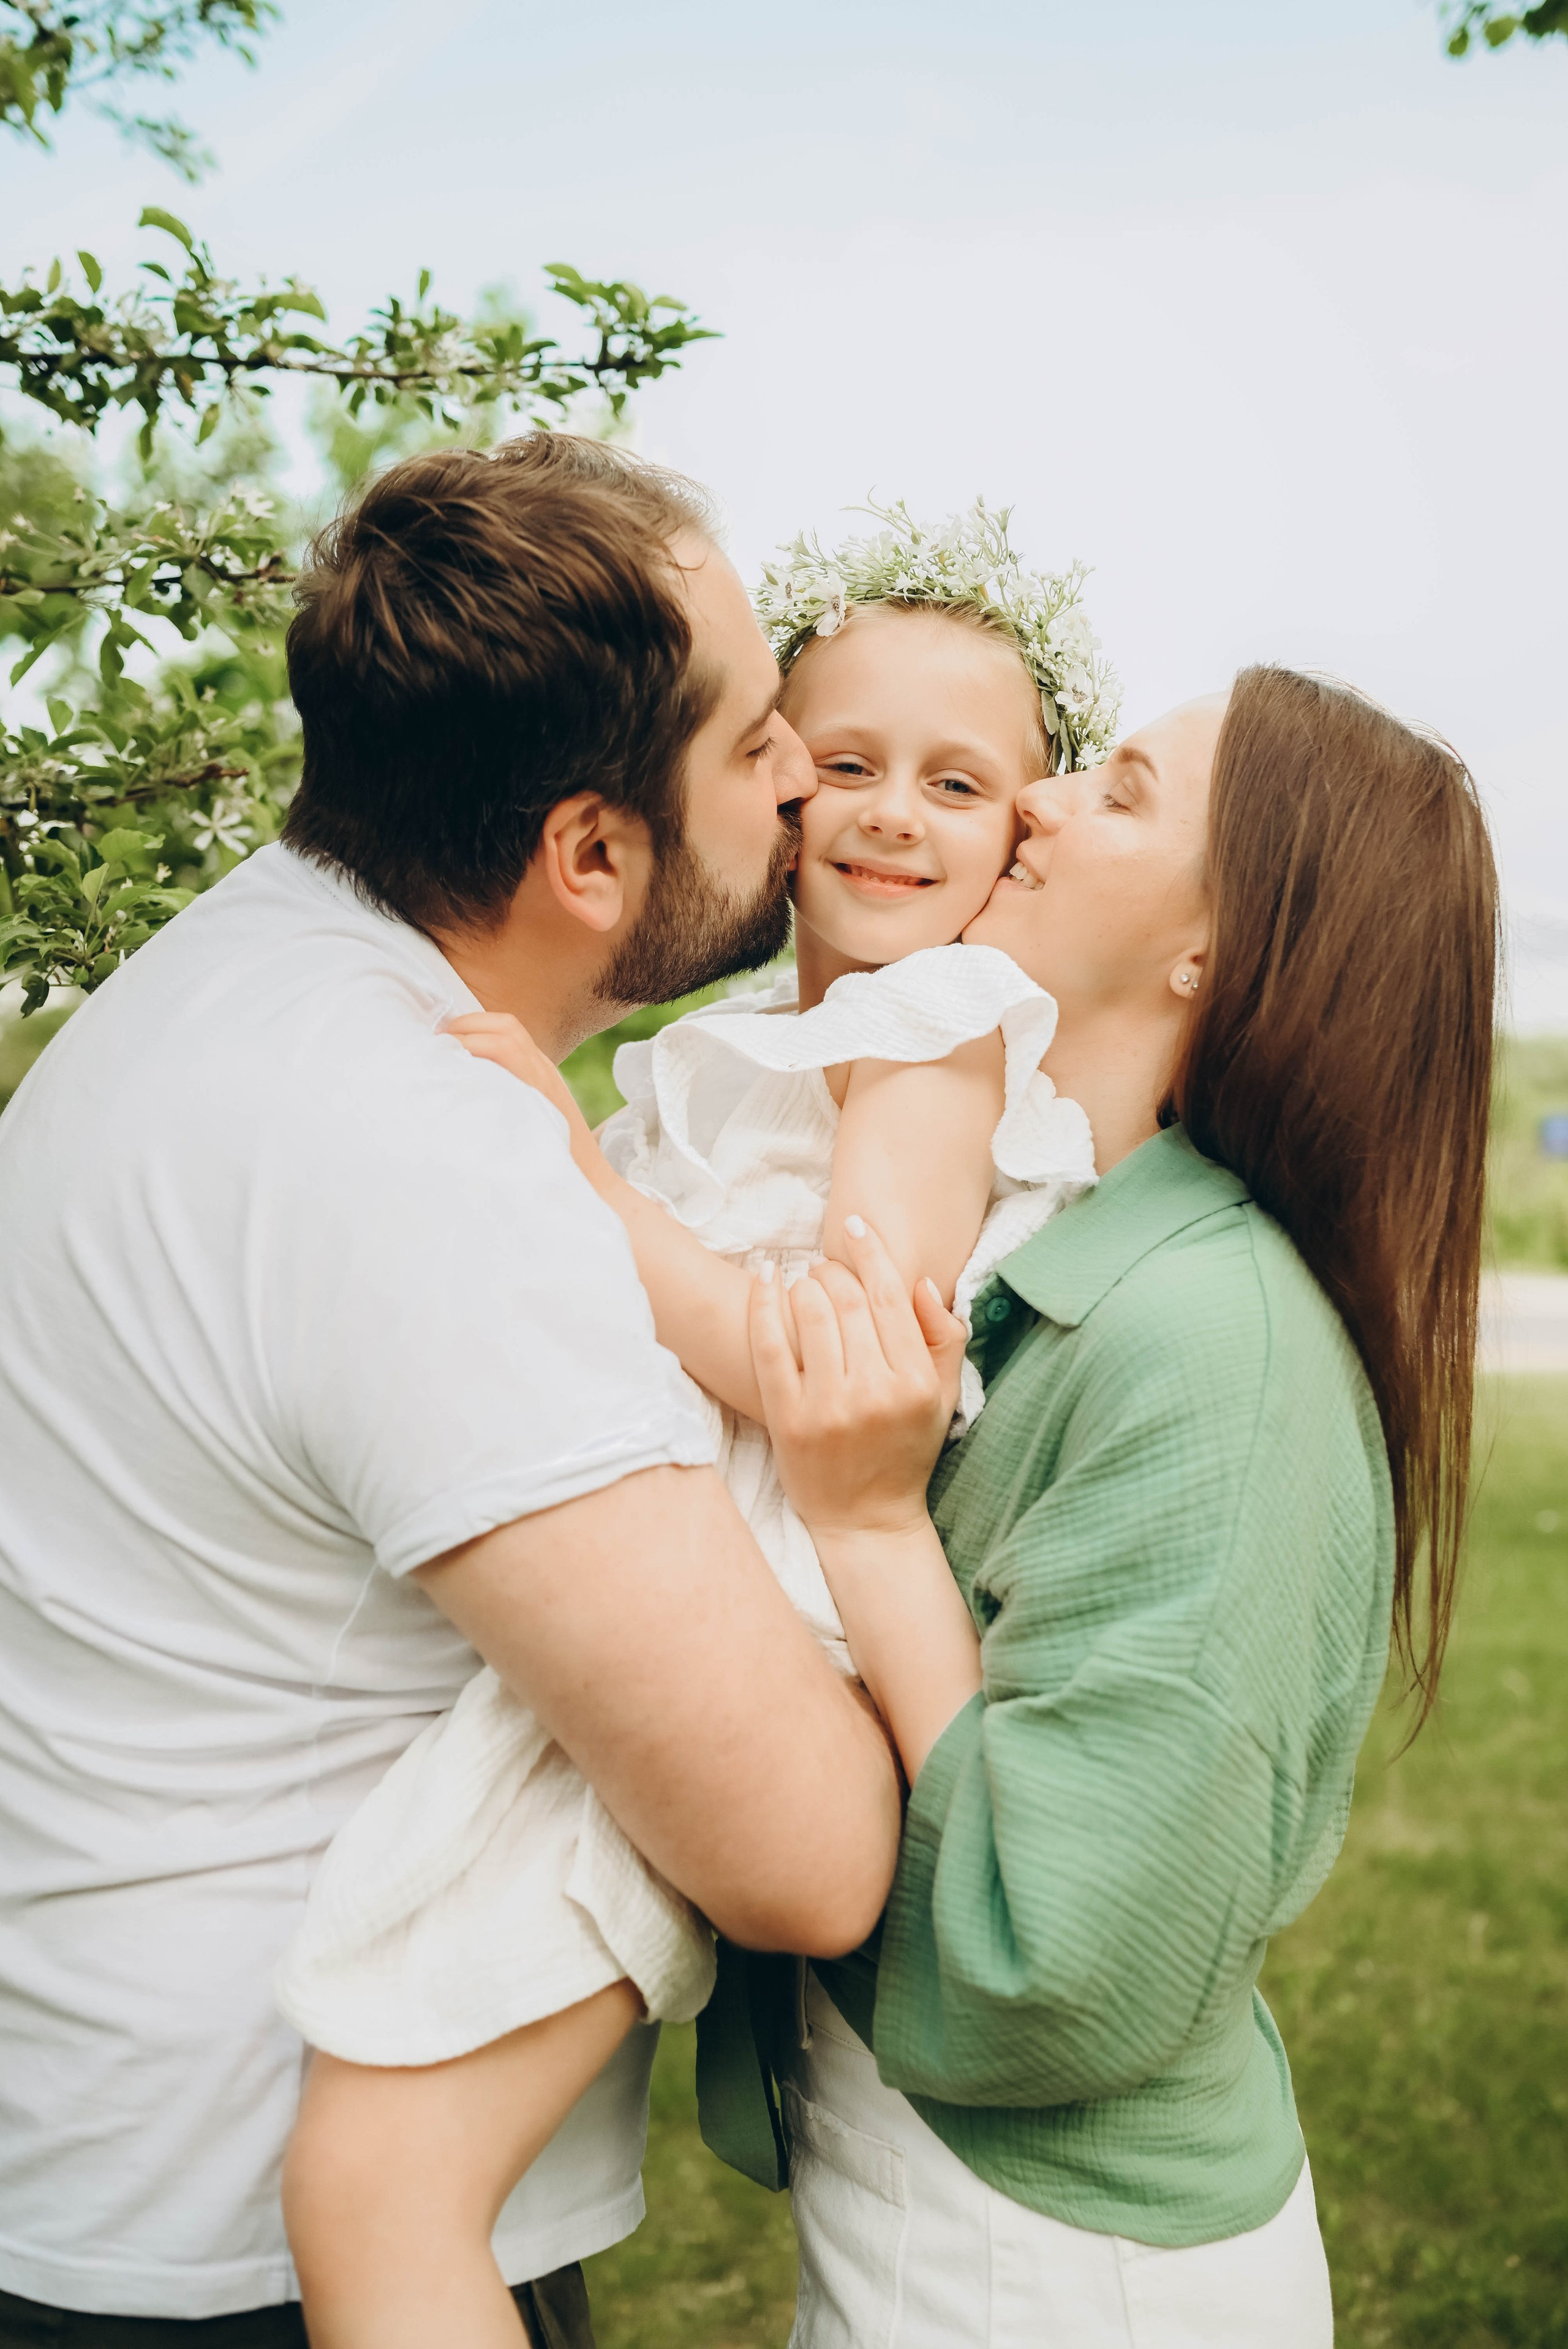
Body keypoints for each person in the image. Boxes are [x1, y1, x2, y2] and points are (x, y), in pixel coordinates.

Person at [0, 435, 907, 2349]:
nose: (809, 778)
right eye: (756, 746)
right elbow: (805, 1849)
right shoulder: (413, 1152)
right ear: (589, 850)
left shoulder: (214, 995)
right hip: (246, 2245)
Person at [272, 501, 1118, 2349]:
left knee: (375, 2187)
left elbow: (832, 1360)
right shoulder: (774, 1022)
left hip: (758, 1622)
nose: (895, 810)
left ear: (1026, 833)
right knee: (373, 2163)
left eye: (959, 783)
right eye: (843, 762)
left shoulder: (938, 1025)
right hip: (670, 1575)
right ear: (773, 786)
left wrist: (571, 1177)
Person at [724, 668, 1498, 2346]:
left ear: (1210, 950)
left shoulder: (1220, 1345)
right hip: (936, 2198)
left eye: (1123, 792)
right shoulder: (1037, 1222)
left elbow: (1080, 1947)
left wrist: (867, 1526)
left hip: (1056, 2271)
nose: (1042, 804)